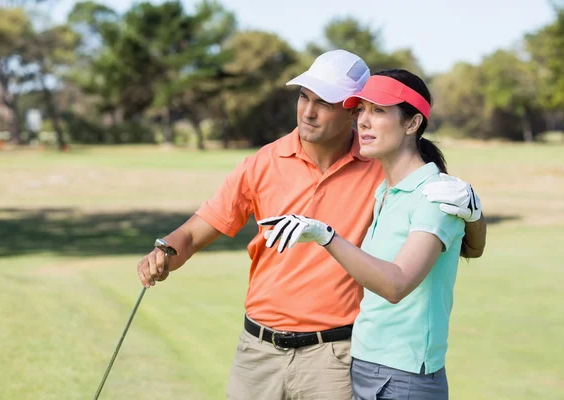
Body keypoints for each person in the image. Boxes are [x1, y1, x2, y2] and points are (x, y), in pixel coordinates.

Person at [136, 50, 487, 400]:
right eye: (304, 97)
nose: (308, 112)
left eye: (324, 102)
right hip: (258, 352)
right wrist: (164, 251)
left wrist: (475, 212)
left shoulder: (380, 168)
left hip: (334, 357)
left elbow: (457, 236)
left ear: (350, 110)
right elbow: (196, 231)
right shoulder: (263, 162)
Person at [259, 69, 470, 399]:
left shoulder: (435, 195)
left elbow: (396, 284)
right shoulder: (384, 191)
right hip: (365, 363)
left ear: (412, 123)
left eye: (379, 111)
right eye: (360, 111)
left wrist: (326, 235)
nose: (363, 122)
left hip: (406, 374)